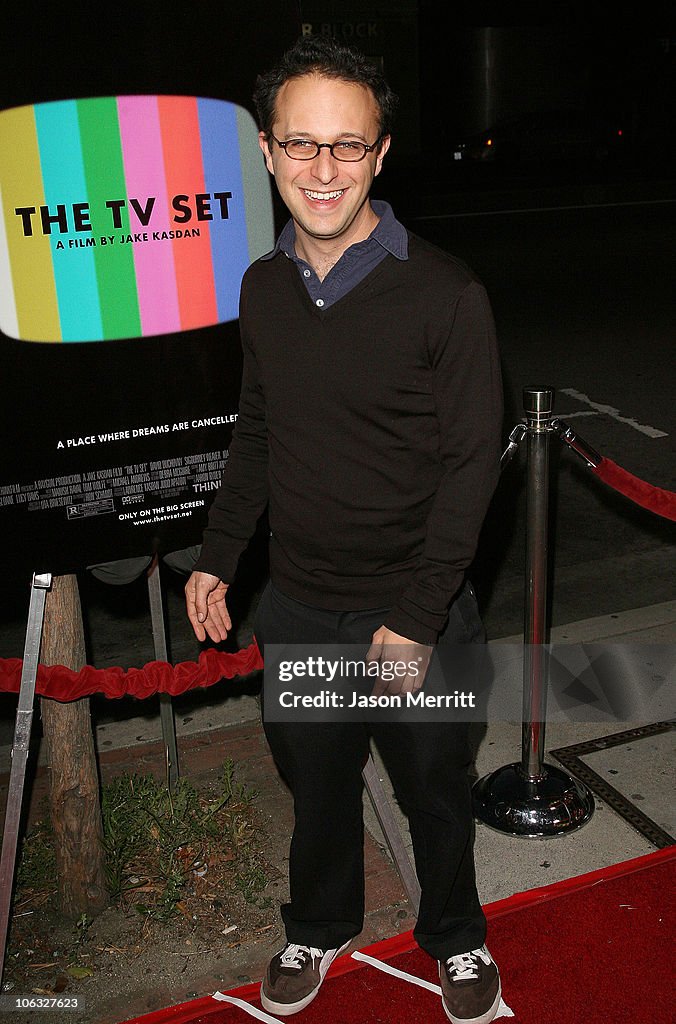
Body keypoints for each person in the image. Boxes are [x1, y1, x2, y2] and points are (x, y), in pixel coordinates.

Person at [185, 36, 504, 1024]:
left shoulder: (446, 296)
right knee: (318, 791)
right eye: (302, 145)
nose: (323, 170)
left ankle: (456, 937)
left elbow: (467, 470)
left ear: (381, 153)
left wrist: (414, 618)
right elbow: (260, 430)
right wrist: (219, 556)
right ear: (271, 153)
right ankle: (318, 925)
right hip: (301, 607)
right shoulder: (263, 289)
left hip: (415, 615)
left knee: (435, 795)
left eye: (347, 147)